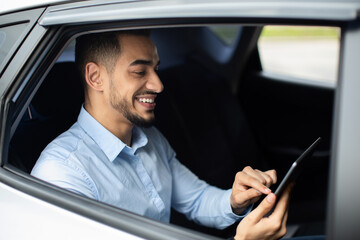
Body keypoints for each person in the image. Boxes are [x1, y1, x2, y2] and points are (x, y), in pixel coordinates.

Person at [31, 30, 292, 239]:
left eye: (155, 68)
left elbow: (198, 200)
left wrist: (235, 199)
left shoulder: (150, 138)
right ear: (95, 77)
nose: (158, 84)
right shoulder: (63, 174)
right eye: (139, 71)